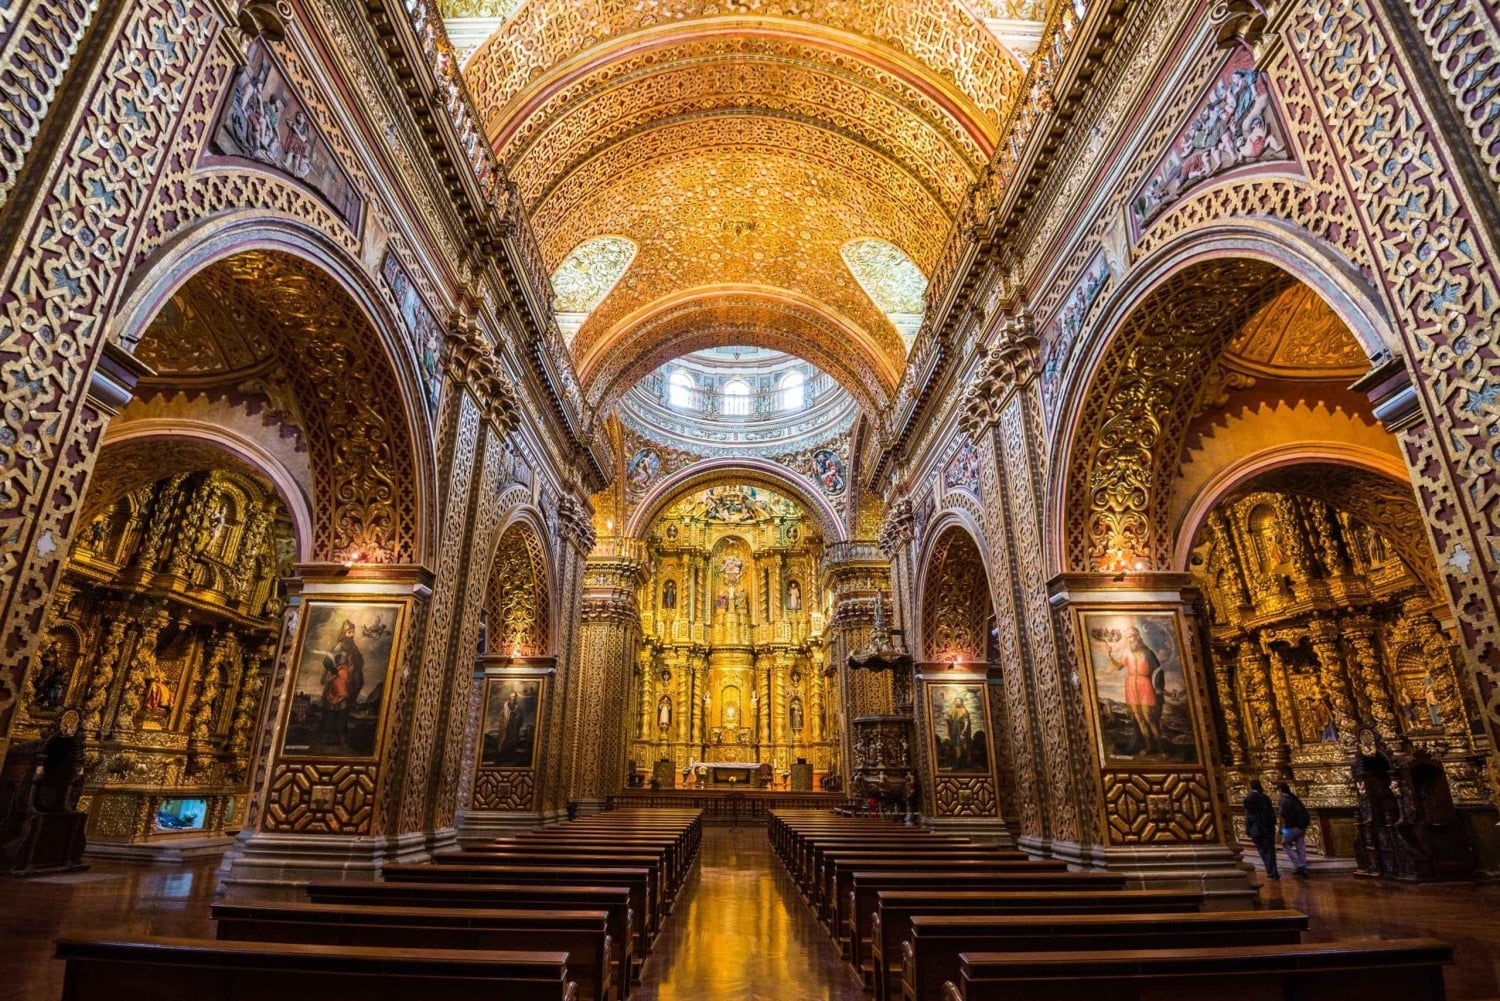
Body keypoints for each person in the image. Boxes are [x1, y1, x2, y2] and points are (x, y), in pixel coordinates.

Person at [1243, 779, 1279, 880]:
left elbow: (1248, 815)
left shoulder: (1249, 797)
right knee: (1270, 850)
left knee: (1263, 850)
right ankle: (1273, 871)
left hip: (1257, 828)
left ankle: (1271, 871)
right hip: (1268, 827)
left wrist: (1248, 829)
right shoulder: (1265, 797)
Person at [1277, 781, 1311, 878]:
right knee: (1300, 845)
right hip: (1302, 825)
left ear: (1280, 790)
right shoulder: (1293, 797)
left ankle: (1299, 866)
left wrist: (1281, 829)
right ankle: (1303, 866)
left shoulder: (1283, 799)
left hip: (1291, 826)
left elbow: (1282, 815)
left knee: (1286, 844)